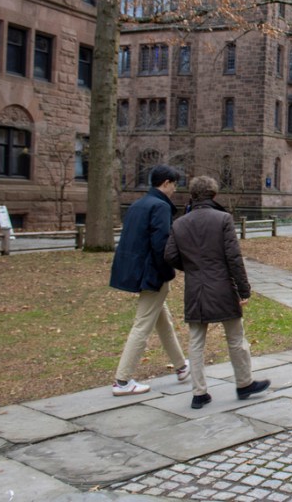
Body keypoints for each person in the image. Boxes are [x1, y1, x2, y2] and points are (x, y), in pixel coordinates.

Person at [164, 176, 270, 410]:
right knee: (235, 337)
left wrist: (192, 267)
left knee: (196, 341)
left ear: (193, 195)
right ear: (213, 195)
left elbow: (169, 255)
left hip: (196, 287)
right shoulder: (223, 219)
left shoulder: (179, 223)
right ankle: (244, 382)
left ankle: (199, 392)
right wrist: (244, 289)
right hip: (222, 285)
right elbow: (233, 258)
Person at [110, 164, 189, 396]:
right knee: (142, 325)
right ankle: (122, 381)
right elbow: (162, 246)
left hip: (139, 271)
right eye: (174, 185)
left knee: (163, 321)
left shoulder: (138, 204)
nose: (175, 190)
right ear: (166, 183)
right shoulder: (160, 207)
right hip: (152, 274)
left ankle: (181, 366)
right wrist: (170, 271)